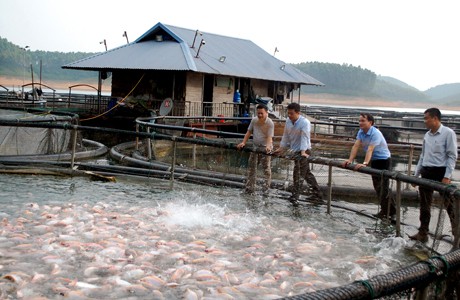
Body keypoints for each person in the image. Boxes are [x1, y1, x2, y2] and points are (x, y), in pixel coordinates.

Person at [410, 108, 458, 243]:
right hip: (426, 171)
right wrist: (416, 174)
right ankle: (423, 232)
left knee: (449, 204)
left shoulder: (448, 133)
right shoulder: (427, 135)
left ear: (435, 118)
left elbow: (452, 156)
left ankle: (457, 233)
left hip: (441, 171)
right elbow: (422, 156)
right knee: (424, 204)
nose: (425, 121)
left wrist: (447, 176)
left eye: (426, 118)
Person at [342, 113, 396, 219]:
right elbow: (356, 145)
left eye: (363, 121)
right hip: (375, 160)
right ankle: (385, 210)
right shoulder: (361, 132)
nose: (360, 123)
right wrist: (350, 160)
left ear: (370, 122)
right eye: (359, 121)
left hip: (384, 160)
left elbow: (370, 149)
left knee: (383, 187)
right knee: (377, 186)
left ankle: (392, 212)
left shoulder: (375, 133)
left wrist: (365, 163)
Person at [275, 102, 322, 204]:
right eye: (288, 113)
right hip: (295, 150)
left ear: (298, 113)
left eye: (292, 113)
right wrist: (281, 148)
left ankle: (295, 196)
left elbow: (305, 137)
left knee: (298, 174)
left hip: (304, 150)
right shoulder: (288, 121)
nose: (289, 116)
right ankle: (317, 195)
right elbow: (286, 135)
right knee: (307, 174)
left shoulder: (305, 122)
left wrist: (303, 151)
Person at [237, 104, 274, 194]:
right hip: (255, 147)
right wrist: (243, 142)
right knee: (252, 167)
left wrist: (268, 146)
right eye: (258, 113)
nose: (260, 115)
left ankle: (266, 187)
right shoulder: (254, 120)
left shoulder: (270, 123)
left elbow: (270, 137)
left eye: (262, 113)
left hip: (265, 148)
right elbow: (249, 131)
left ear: (266, 113)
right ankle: (250, 187)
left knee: (266, 168)